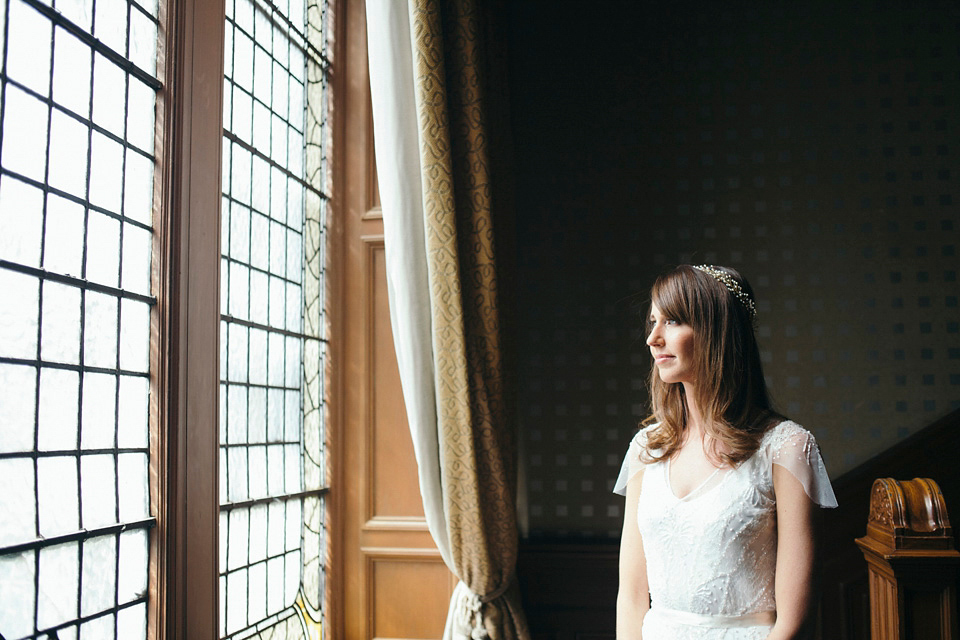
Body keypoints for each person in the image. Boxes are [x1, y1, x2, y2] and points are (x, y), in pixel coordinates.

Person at [613, 265, 837, 639]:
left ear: (717, 333)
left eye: (672, 321)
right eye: (653, 321)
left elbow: (792, 622)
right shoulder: (646, 449)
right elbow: (632, 598)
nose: (653, 338)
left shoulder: (786, 448)